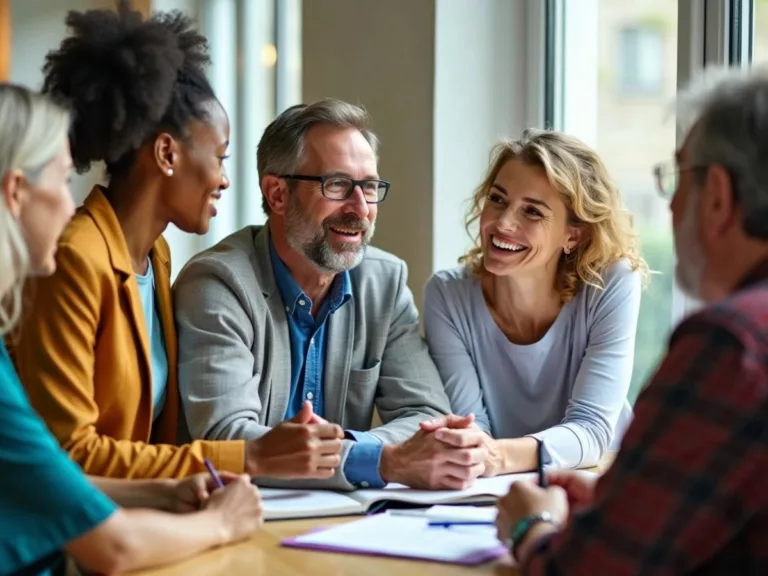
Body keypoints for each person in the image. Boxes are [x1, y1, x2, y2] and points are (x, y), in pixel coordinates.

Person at [10, 1, 342, 480]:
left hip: (145, 515)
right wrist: (249, 456)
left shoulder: (155, 256)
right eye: (221, 157)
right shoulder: (75, 259)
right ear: (167, 153)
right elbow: (71, 455)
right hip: (78, 535)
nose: (225, 180)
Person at [495, 66, 768, 575]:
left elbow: (584, 569)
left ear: (718, 197)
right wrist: (626, 502)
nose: (670, 203)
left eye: (678, 176)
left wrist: (530, 527)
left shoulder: (732, 344)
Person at [0, 82, 263, 576]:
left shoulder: (157, 257)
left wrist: (166, 489)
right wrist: (225, 519)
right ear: (15, 193)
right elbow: (110, 542)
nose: (68, 204)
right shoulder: (78, 258)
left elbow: (47, 480)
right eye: (60, 182)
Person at [173, 99, 487, 491]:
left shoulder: (384, 283)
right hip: (231, 517)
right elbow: (227, 439)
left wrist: (354, 453)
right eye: (337, 185)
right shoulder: (218, 283)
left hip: (339, 520)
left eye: (369, 187)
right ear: (277, 195)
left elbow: (426, 414)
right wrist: (382, 461)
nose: (359, 209)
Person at [421, 130, 646, 474]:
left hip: (602, 481)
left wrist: (495, 456)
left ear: (574, 234)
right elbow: (470, 427)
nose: (503, 222)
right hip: (495, 488)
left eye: (532, 212)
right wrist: (484, 455)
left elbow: (593, 429)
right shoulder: (447, 296)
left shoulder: (611, 282)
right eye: (498, 199)